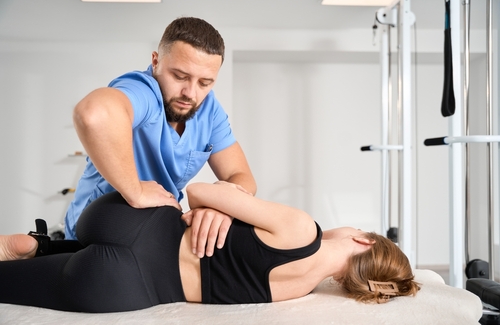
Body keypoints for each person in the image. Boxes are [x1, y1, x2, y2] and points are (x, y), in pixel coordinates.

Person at [0, 182, 419, 313]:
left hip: (135, 221)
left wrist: (212, 208)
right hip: (124, 287)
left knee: (158, 200)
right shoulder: (299, 291)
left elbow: (197, 189)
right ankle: (45, 255)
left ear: (362, 240)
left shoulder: (303, 229)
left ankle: (41, 246)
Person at [64, 17, 256, 258]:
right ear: (155, 61)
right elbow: (93, 114)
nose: (190, 93)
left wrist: (223, 204)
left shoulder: (209, 109)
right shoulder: (143, 91)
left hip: (152, 233)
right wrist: (136, 191)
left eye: (205, 82)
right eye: (179, 76)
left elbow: (241, 176)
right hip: (95, 234)